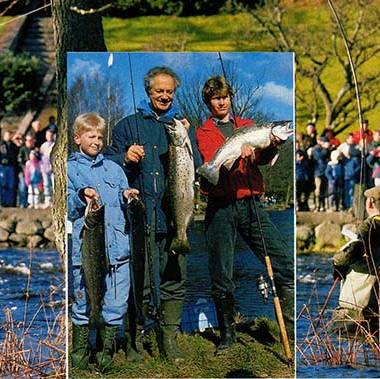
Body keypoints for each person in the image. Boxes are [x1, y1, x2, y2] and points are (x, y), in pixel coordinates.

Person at [106, 66, 201, 361]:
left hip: (176, 220)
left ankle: (168, 340)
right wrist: (125, 157)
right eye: (159, 91)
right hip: (140, 219)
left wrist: (187, 136)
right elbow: (108, 165)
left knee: (174, 280)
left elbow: (195, 165)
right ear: (149, 92)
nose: (164, 96)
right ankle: (134, 340)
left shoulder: (181, 128)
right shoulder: (126, 125)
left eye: (169, 91)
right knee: (141, 283)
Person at [195, 75, 294, 353]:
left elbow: (263, 160)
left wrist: (272, 145)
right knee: (221, 273)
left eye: (225, 97)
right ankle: (228, 336)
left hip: (250, 204)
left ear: (231, 98)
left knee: (283, 261)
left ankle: (289, 328)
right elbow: (211, 165)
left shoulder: (249, 127)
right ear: (209, 103)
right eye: (216, 98)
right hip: (220, 208)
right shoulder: (204, 132)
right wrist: (234, 157)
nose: (221, 101)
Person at [67, 112, 138, 372]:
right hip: (86, 253)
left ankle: (106, 355)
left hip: (118, 252)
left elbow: (121, 194)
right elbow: (65, 205)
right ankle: (80, 356)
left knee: (116, 303)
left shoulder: (115, 168)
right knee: (84, 302)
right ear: (77, 138)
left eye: (100, 136)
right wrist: (80, 194)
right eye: (91, 136)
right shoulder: (69, 169)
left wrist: (128, 195)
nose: (97, 141)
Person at [331, 186, 380, 337]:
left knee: (347, 337)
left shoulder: (370, 225)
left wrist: (337, 264)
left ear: (371, 203)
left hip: (363, 302)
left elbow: (353, 252)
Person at [0, 130, 19, 207]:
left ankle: (10, 202)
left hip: (11, 166)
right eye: (7, 135)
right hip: (3, 166)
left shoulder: (13, 145)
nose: (8, 137)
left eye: (10, 135)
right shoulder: (0, 144)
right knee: (3, 185)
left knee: (11, 185)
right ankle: (3, 202)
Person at [309, 136, 331, 212]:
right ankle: (317, 206)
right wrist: (325, 149)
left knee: (325, 190)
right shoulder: (316, 149)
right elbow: (319, 158)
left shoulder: (327, 150)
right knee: (318, 190)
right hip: (318, 172)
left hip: (325, 172)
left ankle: (324, 206)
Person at [39, 128, 55, 208]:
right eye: (48, 135)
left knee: (54, 185)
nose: (49, 137)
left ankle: (55, 201)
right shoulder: (43, 146)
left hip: (53, 169)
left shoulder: (55, 145)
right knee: (46, 185)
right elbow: (41, 158)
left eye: (51, 135)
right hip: (45, 169)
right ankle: (47, 201)